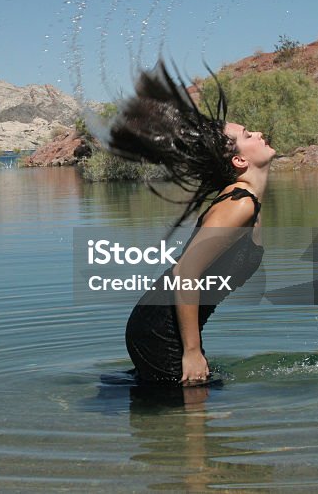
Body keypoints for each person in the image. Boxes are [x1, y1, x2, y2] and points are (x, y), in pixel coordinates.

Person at [101, 60, 275, 386]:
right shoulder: (239, 204)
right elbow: (185, 272)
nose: (260, 134)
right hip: (159, 329)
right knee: (192, 416)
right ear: (239, 160)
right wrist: (192, 351)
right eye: (249, 135)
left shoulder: (244, 201)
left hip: (164, 325)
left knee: (194, 401)